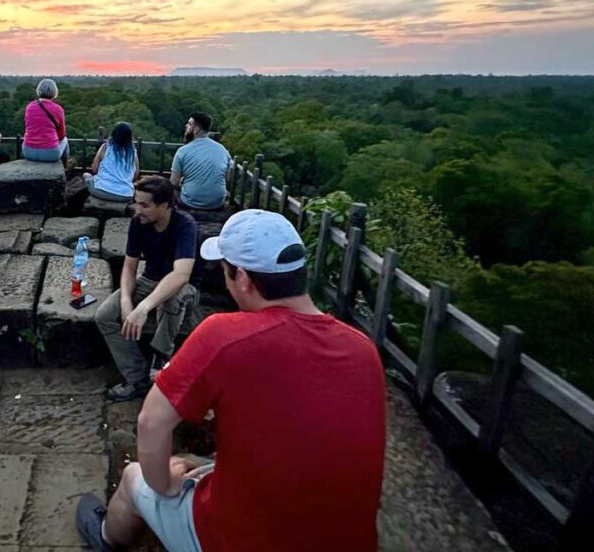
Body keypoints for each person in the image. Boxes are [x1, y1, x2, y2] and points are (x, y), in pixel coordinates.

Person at [76, 209, 387, 552]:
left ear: (242, 277)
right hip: (349, 540)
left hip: (238, 539)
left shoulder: (223, 335)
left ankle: (106, 537)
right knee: (201, 467)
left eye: (225, 272)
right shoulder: (363, 351)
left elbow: (151, 422)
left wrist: (163, 484)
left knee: (138, 476)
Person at [94, 176, 198, 402]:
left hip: (182, 287)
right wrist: (125, 301)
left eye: (144, 205)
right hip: (148, 280)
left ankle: (160, 357)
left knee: (172, 298)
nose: (137, 209)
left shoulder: (184, 225)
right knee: (104, 315)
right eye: (136, 202)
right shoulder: (138, 223)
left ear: (164, 205)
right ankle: (137, 377)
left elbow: (181, 274)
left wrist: (143, 307)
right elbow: (129, 267)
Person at [170, 112, 231, 211]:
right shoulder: (222, 150)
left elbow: (173, 182)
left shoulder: (183, 151)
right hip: (217, 202)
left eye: (189, 124)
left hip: (190, 202)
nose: (186, 126)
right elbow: (228, 177)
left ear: (196, 129)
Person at [83, 122, 139, 202]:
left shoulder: (105, 147)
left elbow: (94, 169)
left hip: (100, 190)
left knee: (86, 175)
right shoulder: (133, 153)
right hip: (126, 194)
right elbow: (136, 174)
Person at [21, 78, 69, 163]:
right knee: (65, 140)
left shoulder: (30, 107)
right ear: (54, 92)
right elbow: (61, 135)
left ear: (39, 90)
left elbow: (27, 125)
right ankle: (65, 167)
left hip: (28, 151)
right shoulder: (58, 109)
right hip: (50, 153)